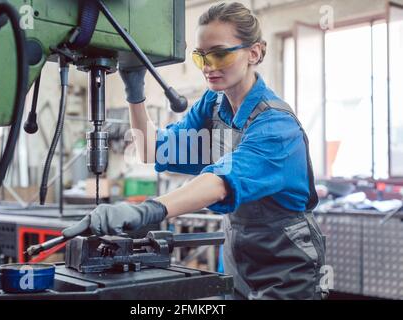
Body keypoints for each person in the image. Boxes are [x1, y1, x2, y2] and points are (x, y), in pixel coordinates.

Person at [63, 2, 327, 300]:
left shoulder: (277, 125)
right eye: (201, 57)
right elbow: (153, 149)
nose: (208, 67)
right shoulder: (213, 105)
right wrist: (135, 94)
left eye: (219, 54)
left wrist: (146, 210)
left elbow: (221, 181)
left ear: (254, 52)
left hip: (288, 269)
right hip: (237, 261)